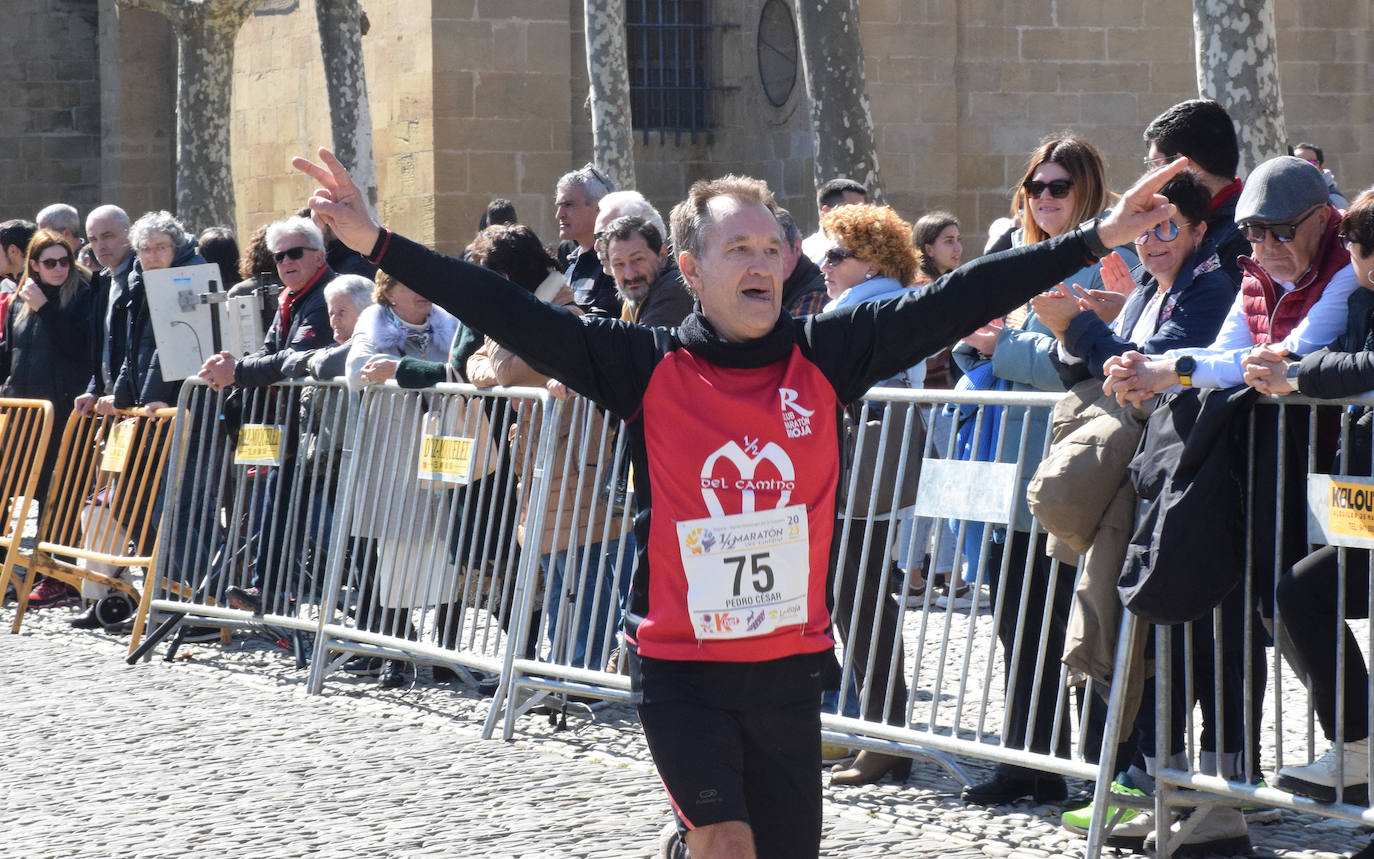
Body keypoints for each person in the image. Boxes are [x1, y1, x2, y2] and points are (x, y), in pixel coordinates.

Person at [295, 144, 1187, 859]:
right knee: (728, 840)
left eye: (772, 248)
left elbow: (961, 296)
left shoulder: (830, 352)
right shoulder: (641, 364)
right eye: (738, 250)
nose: (760, 264)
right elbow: (511, 310)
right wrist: (380, 245)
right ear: (694, 265)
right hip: (679, 665)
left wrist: (1096, 235)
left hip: (788, 668)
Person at [1103, 155, 1357, 854]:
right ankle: (1205, 796)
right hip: (1258, 470)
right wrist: (1165, 366)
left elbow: (1290, 358)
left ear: (1321, 220)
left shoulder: (1341, 269)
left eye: (1279, 232)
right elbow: (1233, 354)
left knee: (1292, 602)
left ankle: (1353, 747)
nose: (1265, 248)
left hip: (1322, 470)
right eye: (1252, 234)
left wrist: (1175, 368)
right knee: (1239, 610)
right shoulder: (1253, 268)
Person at [1030, 172, 1239, 848]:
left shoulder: (1208, 287)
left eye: (1168, 227)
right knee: (1139, 632)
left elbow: (1147, 369)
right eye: (1144, 229)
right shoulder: (1152, 287)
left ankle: (1200, 792)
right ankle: (1153, 780)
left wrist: (1088, 328)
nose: (1152, 243)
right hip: (1144, 484)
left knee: (1186, 641)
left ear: (1201, 230)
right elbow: (1097, 370)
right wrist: (1082, 332)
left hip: (1190, 488)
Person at [959, 133, 1140, 807]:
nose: (1044, 197)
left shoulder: (1113, 260)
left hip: (1076, 464)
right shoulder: (1016, 256)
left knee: (1079, 621)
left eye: (1058, 186)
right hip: (1016, 460)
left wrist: (1003, 347)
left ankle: (1096, 764)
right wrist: (984, 347)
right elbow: (994, 341)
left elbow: (1090, 358)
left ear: (1088, 189)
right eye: (1036, 185)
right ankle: (1026, 758)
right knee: (1016, 617)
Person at [1243, 189, 1374, 807]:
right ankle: (1357, 746)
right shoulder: (1362, 296)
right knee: (1296, 592)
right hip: (1359, 487)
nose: (1363, 263)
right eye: (1357, 249)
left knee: (1303, 590)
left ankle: (1358, 747)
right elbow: (1343, 357)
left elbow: (1364, 365)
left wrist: (1295, 374)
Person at [463, 224, 632, 675]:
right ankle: (566, 669)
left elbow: (507, 372)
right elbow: (473, 363)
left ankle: (577, 671)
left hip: (576, 461)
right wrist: (500, 358)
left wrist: (501, 355)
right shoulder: (525, 312)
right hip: (543, 460)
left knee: (582, 574)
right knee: (560, 572)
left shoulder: (561, 310)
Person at [815, 202, 922, 786]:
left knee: (858, 593)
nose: (826, 265)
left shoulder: (867, 305)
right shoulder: (867, 302)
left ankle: (887, 732)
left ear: (872, 261)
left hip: (867, 450)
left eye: (837, 255)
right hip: (863, 451)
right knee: (855, 593)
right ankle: (881, 730)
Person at [204, 216, 337, 615]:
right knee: (274, 503)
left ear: (318, 255)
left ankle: (376, 619)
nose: (285, 262)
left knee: (339, 537)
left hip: (325, 430)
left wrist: (240, 372)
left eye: (295, 253)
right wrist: (236, 364)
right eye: (279, 256)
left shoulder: (325, 294)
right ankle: (271, 590)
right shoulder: (289, 297)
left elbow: (295, 359)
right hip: (294, 427)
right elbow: (269, 351)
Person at [0, 230, 93, 608]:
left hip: (62, 413)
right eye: (49, 262)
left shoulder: (82, 296)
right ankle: (12, 570)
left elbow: (77, 346)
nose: (59, 269)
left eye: (64, 261)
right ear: (33, 266)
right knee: (7, 487)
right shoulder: (22, 300)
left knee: (59, 496)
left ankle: (58, 576)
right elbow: (10, 352)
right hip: (23, 412)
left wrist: (46, 309)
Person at [1143, 99, 1249, 287]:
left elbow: (1207, 310)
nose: (1149, 176)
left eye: (1154, 165)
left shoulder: (1247, 235)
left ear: (1181, 165)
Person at [73, 205, 135, 419]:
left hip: (134, 404)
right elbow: (105, 348)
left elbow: (140, 349)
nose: (100, 245)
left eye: (107, 236)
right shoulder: (103, 281)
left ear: (129, 233)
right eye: (93, 239)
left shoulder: (141, 278)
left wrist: (121, 394)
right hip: (112, 405)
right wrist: (94, 390)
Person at [600, 216, 693, 328]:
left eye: (638, 259)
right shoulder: (636, 294)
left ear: (662, 256)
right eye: (619, 264)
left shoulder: (673, 288)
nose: (630, 275)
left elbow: (644, 343)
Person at [555, 163, 618, 317]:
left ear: (599, 208)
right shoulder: (569, 259)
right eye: (559, 206)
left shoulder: (614, 263)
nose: (559, 215)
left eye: (568, 204)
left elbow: (606, 328)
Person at [773, 208, 827, 317]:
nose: (762, 260)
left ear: (797, 247)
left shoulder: (815, 294)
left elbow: (794, 333)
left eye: (772, 250)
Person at [801, 178, 867, 264]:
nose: (859, 216)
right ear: (827, 212)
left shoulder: (870, 249)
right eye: (851, 210)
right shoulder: (805, 253)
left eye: (863, 210)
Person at [1291, 142, 1349, 210]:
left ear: (1321, 166)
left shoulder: (1334, 199)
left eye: (1310, 162)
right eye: (1297, 162)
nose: (1303, 167)